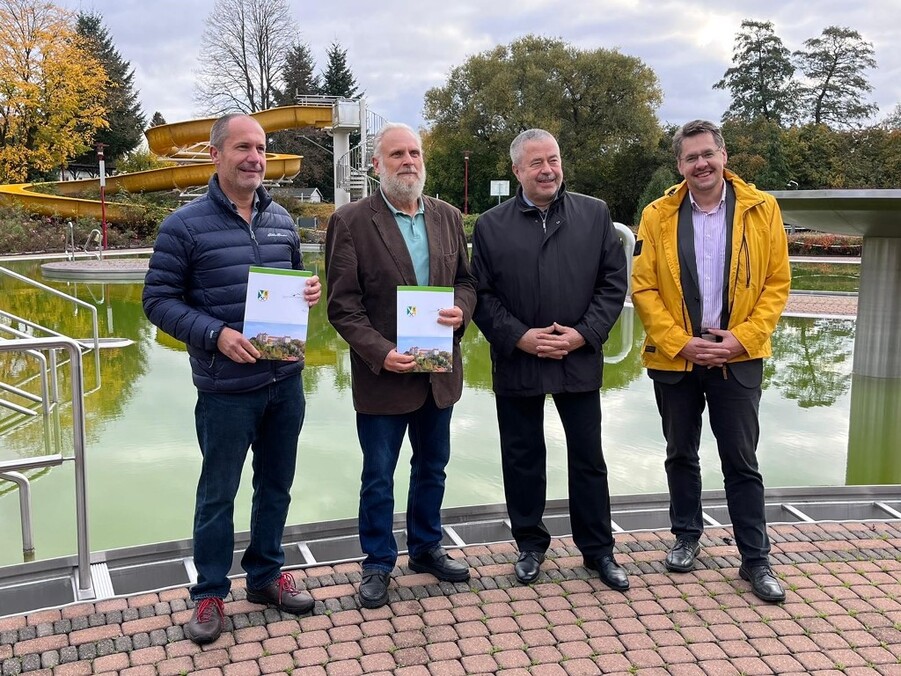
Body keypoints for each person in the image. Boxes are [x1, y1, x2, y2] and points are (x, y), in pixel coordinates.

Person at [143, 113, 322, 644]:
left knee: (276, 486)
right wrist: (215, 334)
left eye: (261, 148)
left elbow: (289, 287)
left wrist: (307, 293)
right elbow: (157, 301)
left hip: (284, 381)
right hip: (225, 390)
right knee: (217, 494)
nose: (255, 158)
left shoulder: (282, 222)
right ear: (216, 155)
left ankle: (266, 575)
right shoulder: (184, 226)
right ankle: (210, 595)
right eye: (243, 147)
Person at [631, 119, 791, 603]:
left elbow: (777, 285)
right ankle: (686, 535)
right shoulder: (657, 214)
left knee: (741, 460)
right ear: (679, 165)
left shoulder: (762, 210)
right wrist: (681, 342)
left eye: (708, 154)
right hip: (677, 359)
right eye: (690, 157)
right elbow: (644, 287)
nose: (700, 164)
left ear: (724, 156)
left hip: (737, 357)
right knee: (681, 453)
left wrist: (741, 339)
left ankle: (755, 559)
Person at [325, 122, 477, 609]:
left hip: (437, 373)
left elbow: (468, 284)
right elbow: (343, 307)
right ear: (376, 165)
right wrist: (379, 352)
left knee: (433, 467)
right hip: (383, 376)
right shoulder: (350, 221)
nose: (408, 161)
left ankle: (427, 547)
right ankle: (377, 562)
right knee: (379, 474)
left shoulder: (449, 217)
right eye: (396, 155)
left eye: (414, 152)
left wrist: (461, 309)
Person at [471, 129, 629, 591]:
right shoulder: (490, 225)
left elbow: (613, 284)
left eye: (553, 159)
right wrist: (519, 337)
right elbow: (481, 294)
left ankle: (598, 550)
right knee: (522, 456)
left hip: (576, 357)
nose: (547, 170)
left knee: (588, 458)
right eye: (536, 163)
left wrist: (584, 334)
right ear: (517, 170)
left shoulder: (594, 214)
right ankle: (530, 544)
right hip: (520, 360)